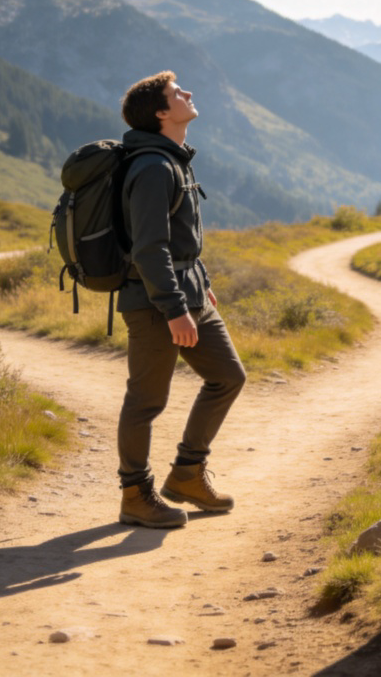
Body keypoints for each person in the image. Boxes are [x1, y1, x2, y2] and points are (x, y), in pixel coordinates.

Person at [115, 70, 246, 528]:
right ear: (161, 113)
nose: (188, 94)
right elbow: (149, 249)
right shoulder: (152, 168)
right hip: (154, 304)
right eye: (177, 93)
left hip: (190, 294)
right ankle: (135, 494)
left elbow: (181, 238)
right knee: (146, 401)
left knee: (228, 376)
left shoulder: (173, 159)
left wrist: (201, 281)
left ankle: (187, 473)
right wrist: (174, 310)